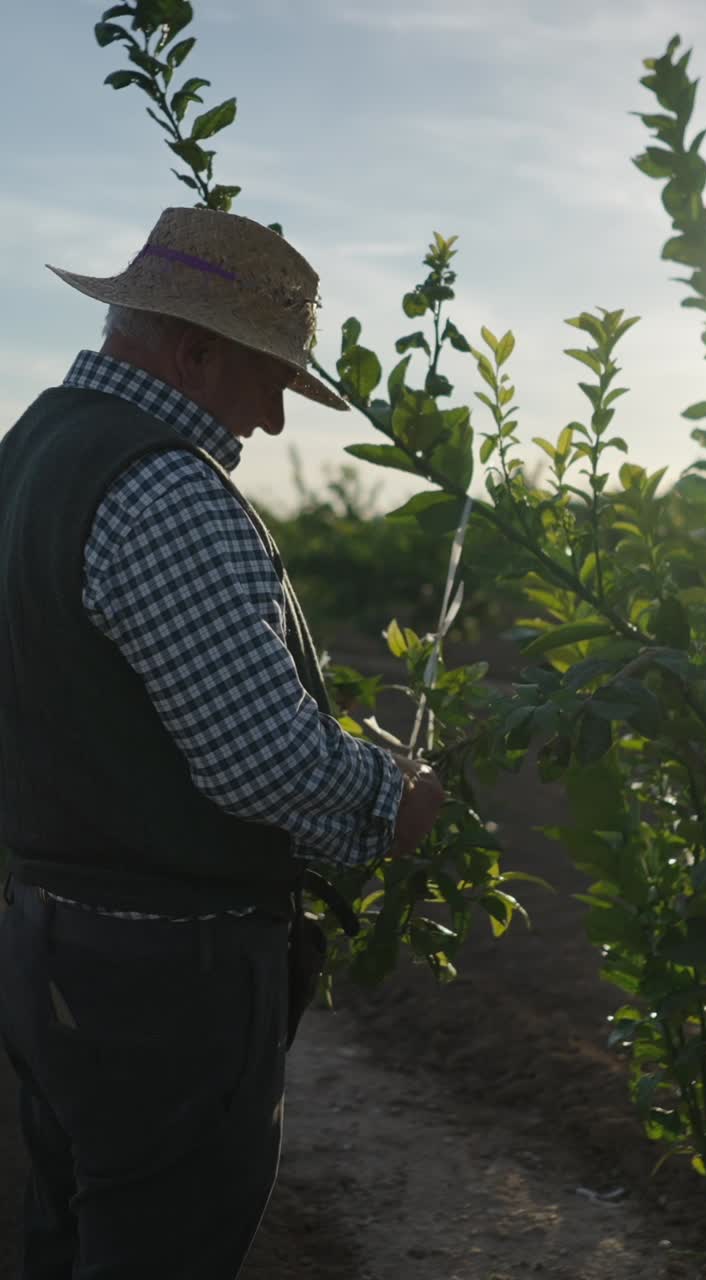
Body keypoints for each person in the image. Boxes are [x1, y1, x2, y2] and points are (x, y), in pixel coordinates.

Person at [0, 207, 444, 1280]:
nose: (278, 425)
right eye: (270, 380)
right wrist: (392, 797)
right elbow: (261, 759)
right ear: (194, 348)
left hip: (54, 948)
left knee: (74, 1231)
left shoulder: (28, 455)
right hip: (164, 981)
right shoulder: (161, 487)